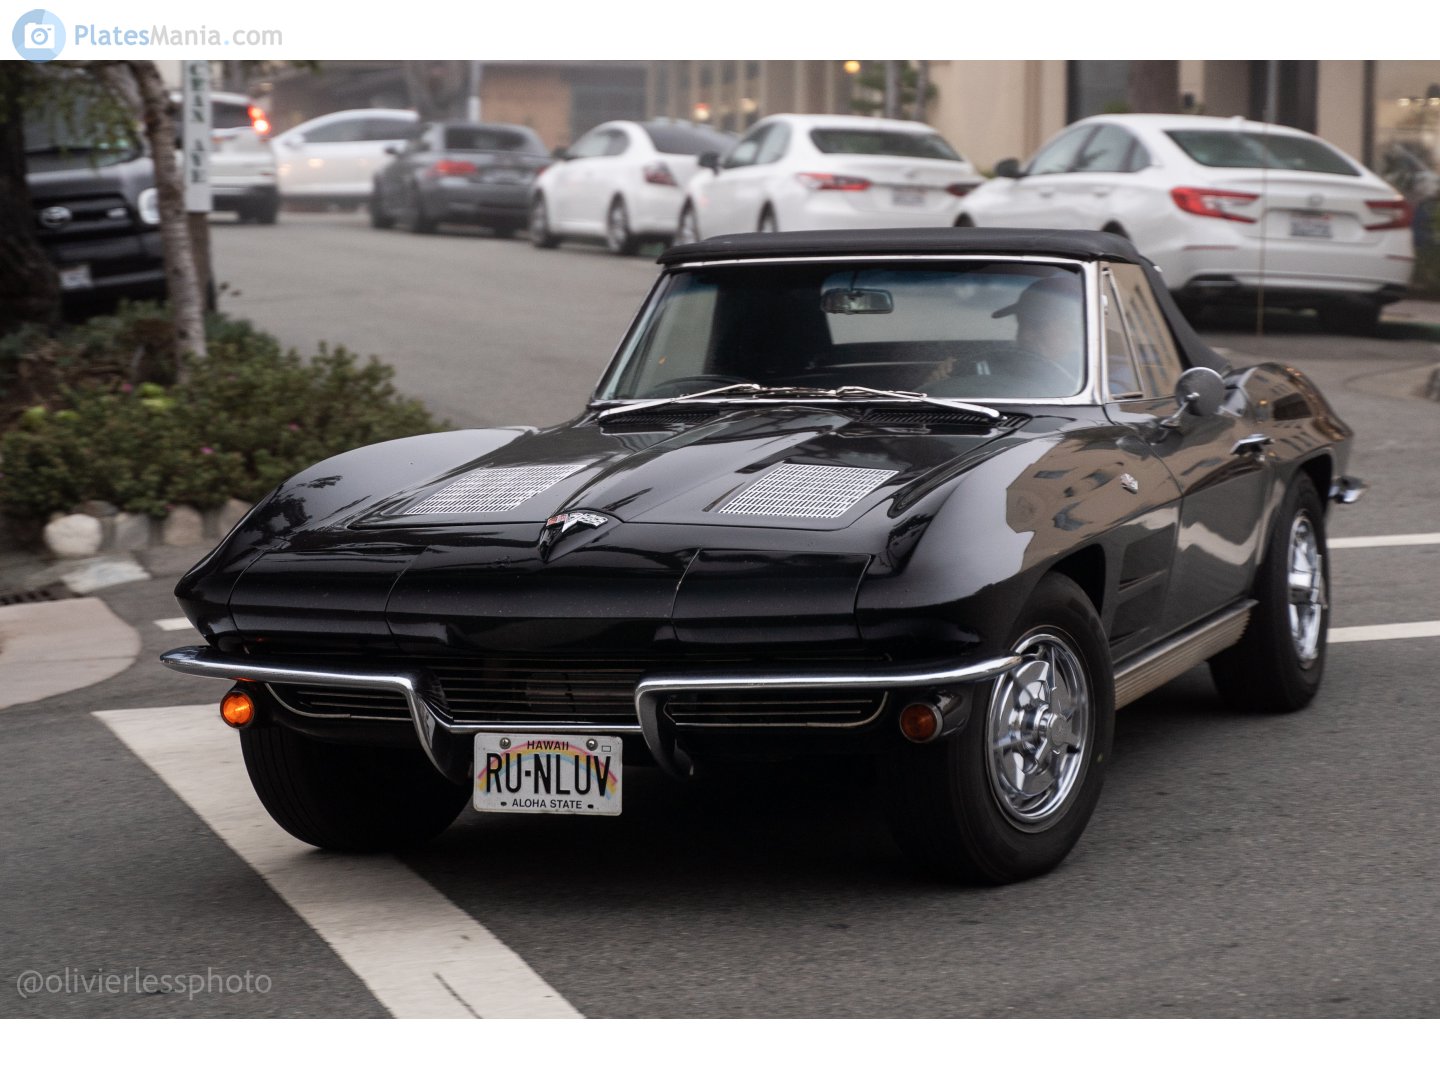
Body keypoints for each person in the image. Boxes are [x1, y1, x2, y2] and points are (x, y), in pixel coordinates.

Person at [922, 274, 1085, 398]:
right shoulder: (994, 365)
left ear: (1074, 326)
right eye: (1022, 324)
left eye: (1038, 326)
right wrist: (939, 385)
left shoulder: (1091, 377)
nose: (1026, 336)